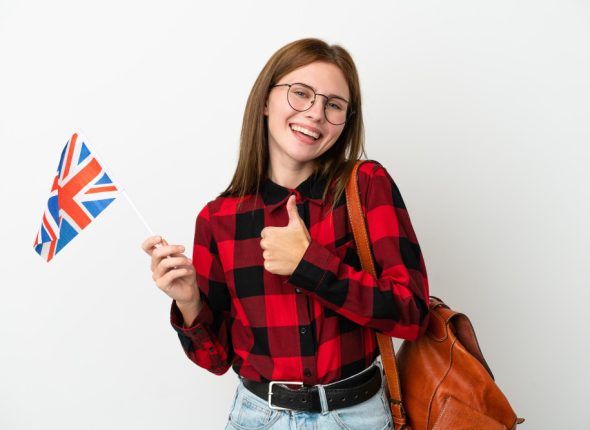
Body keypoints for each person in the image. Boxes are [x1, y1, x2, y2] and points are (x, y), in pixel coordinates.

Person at [142, 38, 429, 430]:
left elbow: (412, 315)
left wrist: (309, 265)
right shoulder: (218, 219)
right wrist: (190, 301)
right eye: (301, 94)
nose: (315, 114)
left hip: (358, 416)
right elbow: (216, 359)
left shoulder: (365, 186)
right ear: (265, 102)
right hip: (259, 418)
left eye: (333, 105)